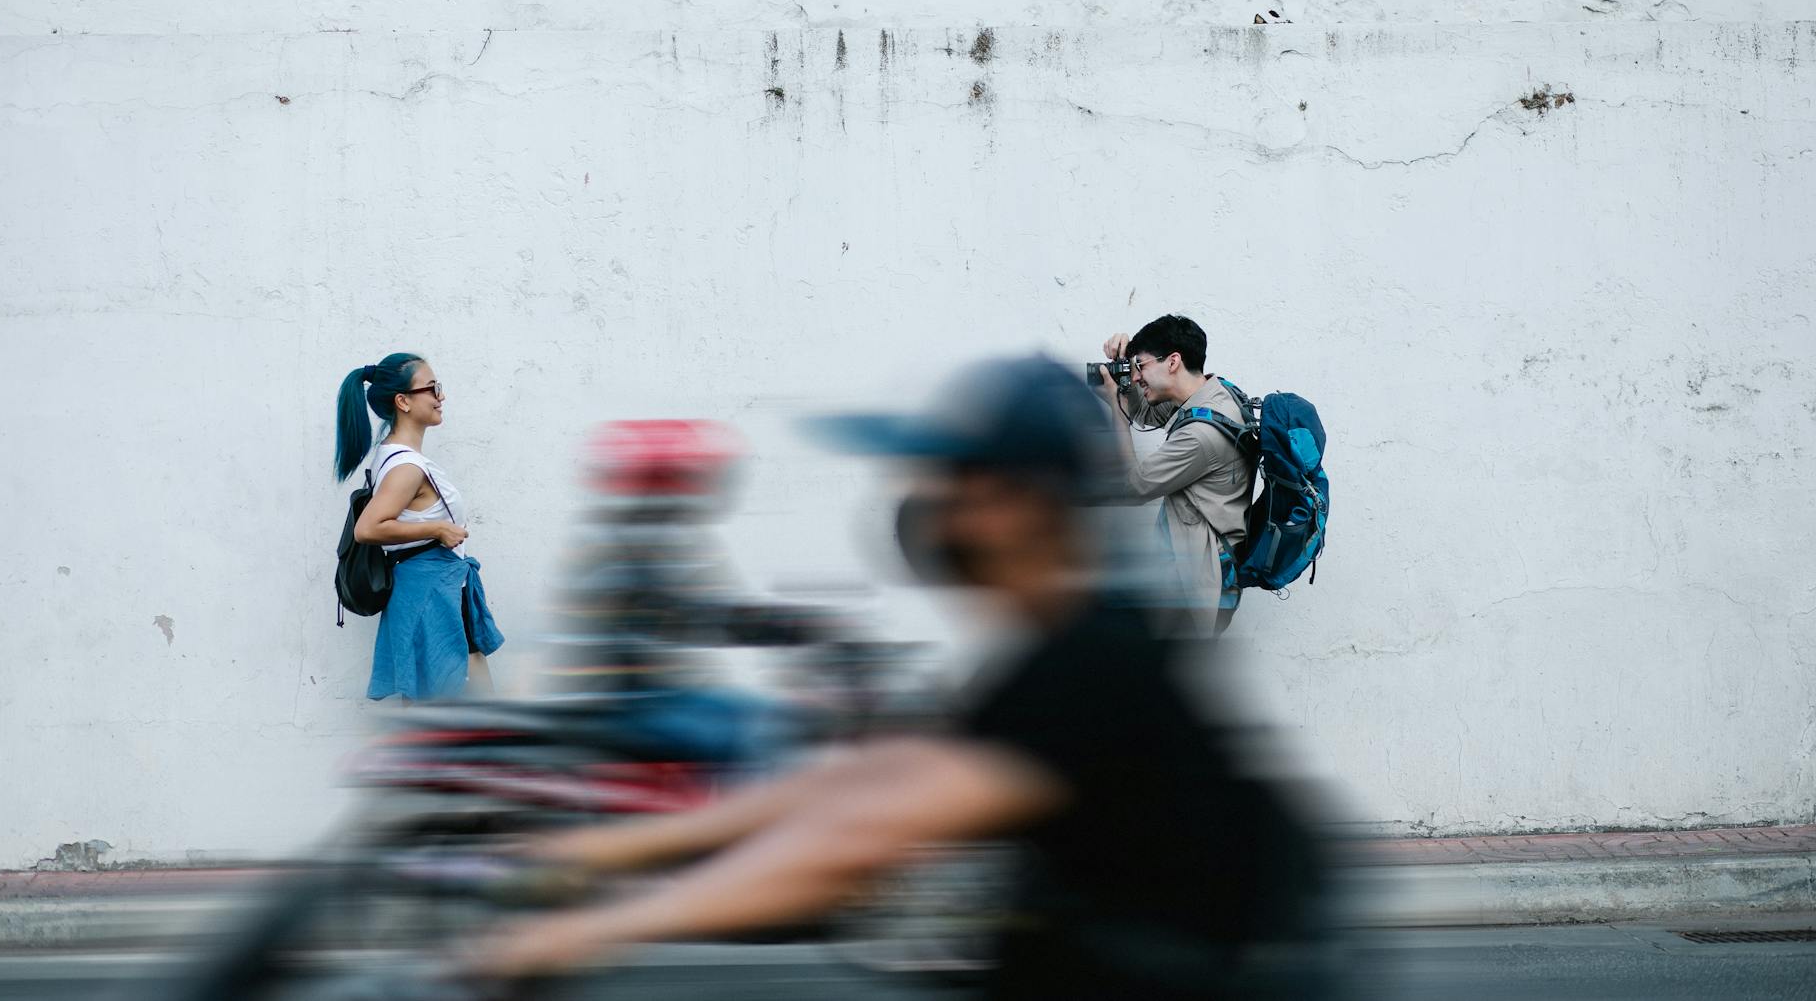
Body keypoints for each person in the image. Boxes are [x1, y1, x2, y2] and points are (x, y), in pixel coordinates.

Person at [465, 357, 1328, 1000]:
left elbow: (854, 839)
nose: (928, 504)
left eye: (955, 482)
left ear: (1020, 504)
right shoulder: (1048, 653)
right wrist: (608, 847)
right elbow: (866, 778)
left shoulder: (1094, 666)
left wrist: (597, 925)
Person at [333, 352, 504, 701]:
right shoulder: (406, 467)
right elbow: (368, 529)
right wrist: (438, 529)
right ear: (403, 401)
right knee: (449, 700)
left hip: (436, 587)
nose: (440, 396)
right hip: (428, 588)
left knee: (444, 698)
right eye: (432, 388)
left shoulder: (397, 458)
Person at [1095, 315, 1256, 618]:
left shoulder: (1199, 437)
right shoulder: (1217, 394)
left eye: (1140, 367)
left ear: (1172, 362)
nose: (1137, 376)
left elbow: (1134, 487)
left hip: (1196, 585)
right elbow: (1146, 413)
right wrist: (1129, 369)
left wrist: (1116, 410)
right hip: (1201, 571)